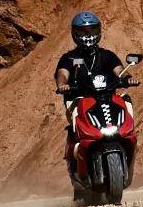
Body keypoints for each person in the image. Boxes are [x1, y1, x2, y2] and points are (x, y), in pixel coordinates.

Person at [54, 11, 134, 172]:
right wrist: (62, 84)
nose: (88, 35)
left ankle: (128, 136)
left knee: (125, 100)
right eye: (83, 31)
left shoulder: (107, 55)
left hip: (106, 97)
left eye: (92, 30)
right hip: (79, 98)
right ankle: (76, 152)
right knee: (76, 111)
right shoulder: (69, 58)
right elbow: (62, 73)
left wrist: (128, 78)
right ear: (75, 33)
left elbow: (120, 70)